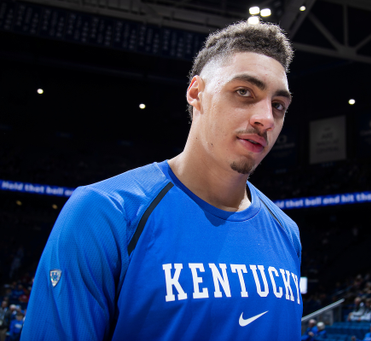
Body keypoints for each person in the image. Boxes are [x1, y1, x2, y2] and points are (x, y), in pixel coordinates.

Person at [21, 21, 302, 341]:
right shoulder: (104, 213)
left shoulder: (286, 231)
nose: (266, 118)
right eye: (244, 92)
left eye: (278, 105)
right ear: (196, 93)